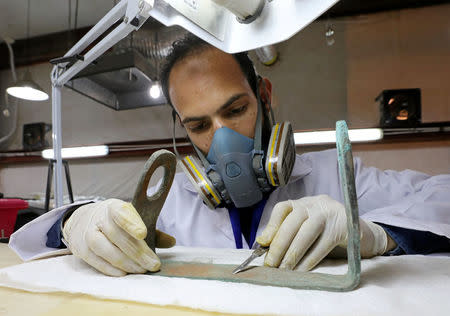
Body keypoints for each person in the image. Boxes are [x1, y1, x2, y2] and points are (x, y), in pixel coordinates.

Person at [9, 35, 450, 277]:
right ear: (181, 126)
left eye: (235, 110)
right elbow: (43, 242)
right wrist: (76, 224)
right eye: (199, 125)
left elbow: (442, 196)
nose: (222, 140)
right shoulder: (176, 202)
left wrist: (373, 233)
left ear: (264, 94)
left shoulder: (335, 176)